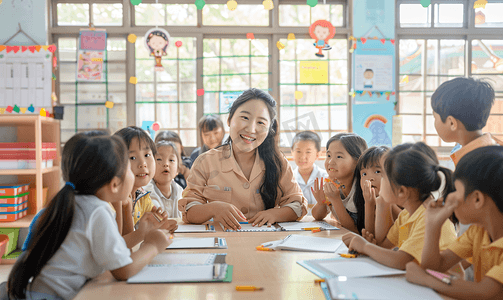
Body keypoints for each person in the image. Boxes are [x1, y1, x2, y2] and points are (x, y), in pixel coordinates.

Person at [2, 134, 171, 300]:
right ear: (114, 184)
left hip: (35, 292)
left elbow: (115, 252)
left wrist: (142, 232)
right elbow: (123, 271)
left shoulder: (75, 202)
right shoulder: (97, 211)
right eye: (128, 167)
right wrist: (153, 246)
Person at [178, 88, 308, 230]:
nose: (251, 129)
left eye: (261, 122)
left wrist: (275, 214)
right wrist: (214, 208)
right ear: (229, 119)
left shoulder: (278, 162)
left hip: (266, 244)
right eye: (245, 118)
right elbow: (188, 210)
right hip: (221, 242)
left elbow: (298, 205)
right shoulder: (205, 162)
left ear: (269, 129)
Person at [406, 146, 503, 299]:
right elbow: (433, 266)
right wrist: (433, 225)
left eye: (456, 190)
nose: (449, 197)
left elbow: (483, 291)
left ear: (477, 199)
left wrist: (425, 279)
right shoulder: (478, 232)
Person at [342, 142, 457, 270]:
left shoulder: (427, 217)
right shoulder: (407, 214)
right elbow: (383, 245)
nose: (374, 179)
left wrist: (365, 246)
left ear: (401, 191)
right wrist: (381, 202)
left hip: (441, 286)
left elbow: (401, 261)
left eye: (383, 175)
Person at [113, 126, 177, 240]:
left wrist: (158, 225)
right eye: (132, 157)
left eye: (147, 155)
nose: (143, 164)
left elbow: (127, 239)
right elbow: (118, 248)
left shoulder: (142, 196)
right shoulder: (113, 198)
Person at [431, 77, 502, 166]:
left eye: (435, 117)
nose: (434, 123)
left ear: (452, 123)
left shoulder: (473, 164)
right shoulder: (492, 149)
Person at [311, 133, 367, 233]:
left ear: (357, 161)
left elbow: (354, 230)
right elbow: (317, 216)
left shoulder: (363, 187)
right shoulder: (333, 182)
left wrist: (335, 199)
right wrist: (321, 203)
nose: (330, 162)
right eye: (328, 155)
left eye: (339, 157)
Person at [351, 146, 394, 235]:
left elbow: (377, 240)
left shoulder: (394, 204)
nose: (369, 178)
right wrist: (369, 203)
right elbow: (369, 235)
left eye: (377, 171)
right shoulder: (363, 201)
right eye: (364, 174)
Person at [290, 131, 327, 214]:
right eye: (298, 151)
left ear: (318, 154)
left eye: (308, 152)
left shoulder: (326, 178)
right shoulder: (288, 178)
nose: (303, 157)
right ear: (292, 152)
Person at [145, 140, 183, 218]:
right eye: (159, 159)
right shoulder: (146, 192)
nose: (166, 164)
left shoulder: (179, 191)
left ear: (178, 170)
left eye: (171, 160)